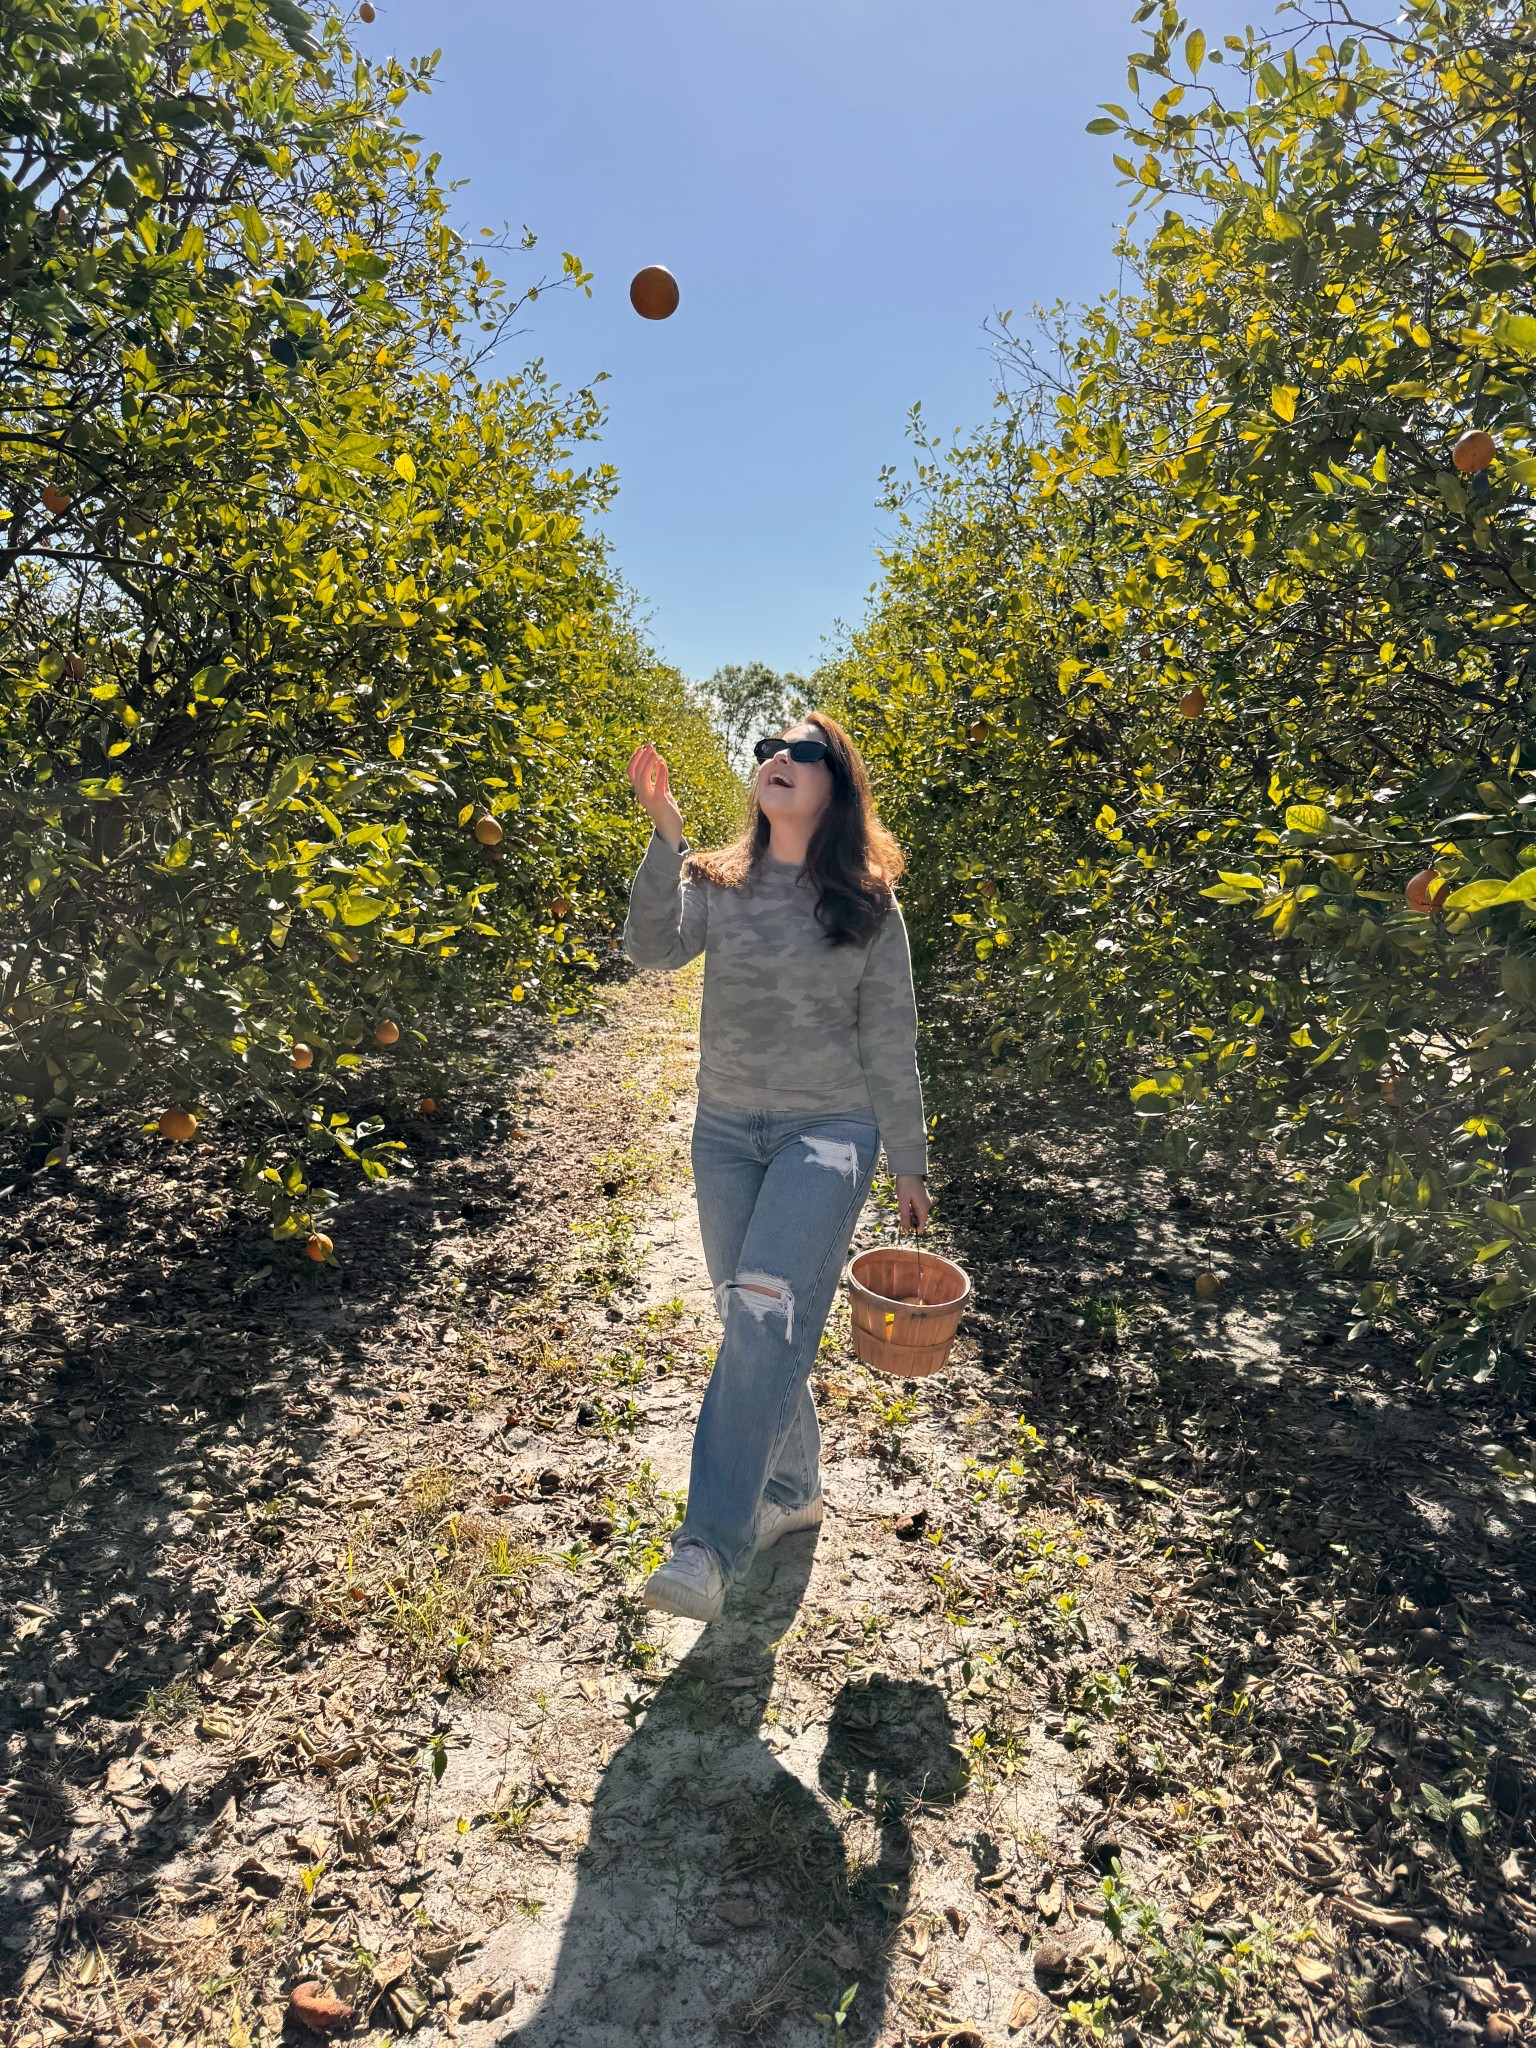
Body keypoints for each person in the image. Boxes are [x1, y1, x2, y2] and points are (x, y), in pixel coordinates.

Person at [623, 712, 930, 1623]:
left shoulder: (869, 906)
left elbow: (890, 1037)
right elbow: (647, 953)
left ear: (837, 784)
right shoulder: (718, 882)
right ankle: (792, 1489)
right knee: (748, 1314)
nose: (775, 761)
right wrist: (664, 836)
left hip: (828, 1134)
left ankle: (705, 1546)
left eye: (800, 751)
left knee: (763, 1317)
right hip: (725, 1131)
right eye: (766, 750)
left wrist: (907, 1160)